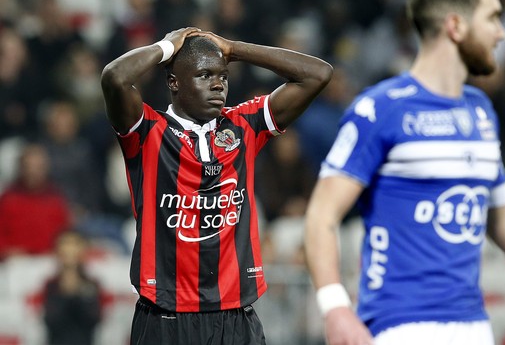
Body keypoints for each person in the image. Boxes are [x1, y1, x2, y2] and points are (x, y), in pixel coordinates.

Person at [303, 0, 505, 345]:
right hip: (400, 324)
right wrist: (334, 307)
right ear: (456, 25)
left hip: (473, 324)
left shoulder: (480, 109)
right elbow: (322, 213)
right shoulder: (382, 108)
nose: (502, 32)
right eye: (492, 18)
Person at [100, 27, 332, 344]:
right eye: (204, 75)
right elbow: (115, 77)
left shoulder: (244, 125)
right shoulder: (148, 132)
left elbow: (317, 74)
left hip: (236, 316)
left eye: (223, 76)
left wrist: (234, 48)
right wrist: (166, 48)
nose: (218, 84)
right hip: (167, 317)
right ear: (174, 82)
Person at [42, 229, 104, 345]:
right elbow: (51, 320)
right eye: (65, 244)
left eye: (75, 244)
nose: (70, 249)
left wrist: (78, 290)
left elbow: (93, 319)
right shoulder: (51, 285)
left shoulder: (92, 285)